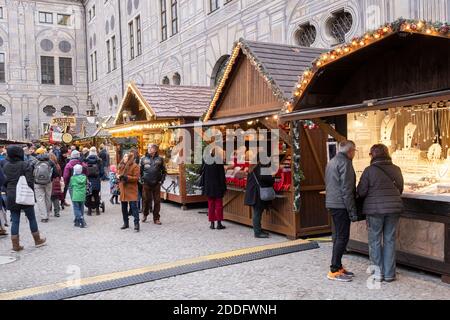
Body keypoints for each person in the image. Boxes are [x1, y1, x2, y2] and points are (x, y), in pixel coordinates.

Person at [357, 144, 404, 283]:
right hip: (393, 209)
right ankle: (389, 274)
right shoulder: (396, 169)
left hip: (375, 210)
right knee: (389, 240)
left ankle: (377, 274)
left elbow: (361, 192)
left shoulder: (369, 171)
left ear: (373, 155)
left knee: (375, 241)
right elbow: (400, 189)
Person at [325, 140, 358, 282]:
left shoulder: (332, 161)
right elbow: (347, 189)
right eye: (355, 151)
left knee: (339, 236)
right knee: (342, 237)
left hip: (333, 202)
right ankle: (334, 270)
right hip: (341, 204)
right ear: (350, 151)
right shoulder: (346, 163)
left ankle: (337, 266)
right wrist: (352, 210)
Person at [3, 146, 46, 252]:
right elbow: (30, 181)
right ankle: (37, 240)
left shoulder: (6, 166)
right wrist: (31, 193)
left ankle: (15, 245)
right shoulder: (25, 164)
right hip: (24, 193)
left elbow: (4, 182)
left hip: (12, 195)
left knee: (15, 220)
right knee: (31, 218)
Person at [244, 161, 275, 239]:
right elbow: (267, 179)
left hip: (254, 192)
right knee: (257, 212)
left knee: (257, 212)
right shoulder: (263, 166)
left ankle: (259, 230)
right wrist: (273, 177)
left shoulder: (253, 166)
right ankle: (257, 232)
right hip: (257, 193)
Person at [200, 149, 227, 230]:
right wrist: (224, 187)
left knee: (211, 205)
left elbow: (201, 171)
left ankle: (212, 223)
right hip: (218, 186)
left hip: (208, 186)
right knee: (218, 205)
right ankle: (219, 223)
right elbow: (222, 176)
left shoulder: (206, 160)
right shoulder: (219, 161)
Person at [140, 144, 166, 225]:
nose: (148, 149)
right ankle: (145, 214)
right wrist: (141, 180)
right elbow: (140, 171)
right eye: (148, 148)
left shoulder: (160, 159)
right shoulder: (143, 159)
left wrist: (161, 180)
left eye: (150, 148)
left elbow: (164, 171)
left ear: (155, 149)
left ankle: (156, 218)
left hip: (156, 183)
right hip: (146, 183)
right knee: (146, 200)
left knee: (157, 201)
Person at [118, 153, 140, 232]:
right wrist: (118, 177)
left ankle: (136, 224)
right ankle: (126, 223)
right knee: (123, 208)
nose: (125, 157)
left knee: (134, 207)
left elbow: (136, 178)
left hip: (131, 189)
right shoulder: (121, 165)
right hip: (123, 189)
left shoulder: (135, 166)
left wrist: (127, 177)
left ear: (130, 158)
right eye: (124, 156)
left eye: (126, 156)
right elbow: (119, 175)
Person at [34, 151, 58, 223]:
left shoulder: (35, 162)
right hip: (48, 182)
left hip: (37, 182)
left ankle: (43, 216)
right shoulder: (50, 162)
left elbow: (30, 170)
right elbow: (56, 173)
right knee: (48, 198)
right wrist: (51, 178)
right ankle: (47, 214)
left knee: (40, 199)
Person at [84, 147, 104, 216]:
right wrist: (100, 177)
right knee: (96, 195)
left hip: (88, 180)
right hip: (96, 180)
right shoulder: (99, 160)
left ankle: (89, 211)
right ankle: (97, 210)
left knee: (89, 195)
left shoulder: (86, 160)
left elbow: (84, 170)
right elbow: (102, 172)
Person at [49, 153, 63, 218]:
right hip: (56, 181)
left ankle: (48, 210)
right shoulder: (57, 165)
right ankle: (57, 212)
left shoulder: (47, 165)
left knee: (49, 196)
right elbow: (60, 174)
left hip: (49, 182)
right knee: (56, 197)